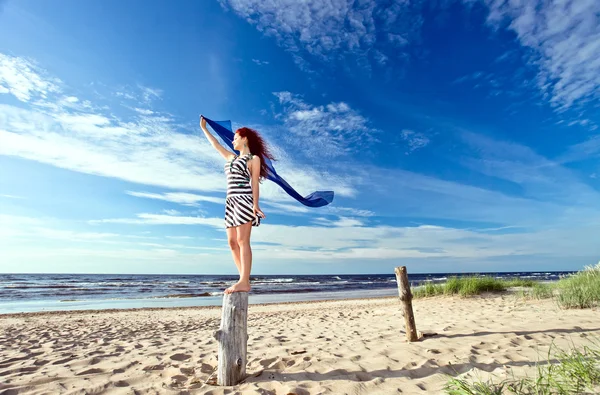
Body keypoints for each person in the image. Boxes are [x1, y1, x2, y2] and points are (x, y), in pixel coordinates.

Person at [200, 115, 274, 294]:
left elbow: (255, 183)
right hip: (230, 202)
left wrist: (255, 205)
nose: (232, 140)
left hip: (243, 200)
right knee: (232, 242)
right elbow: (216, 145)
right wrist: (204, 129)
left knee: (242, 240)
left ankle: (243, 281)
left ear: (245, 138)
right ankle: (244, 279)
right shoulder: (231, 158)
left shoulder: (253, 159)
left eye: (235, 137)